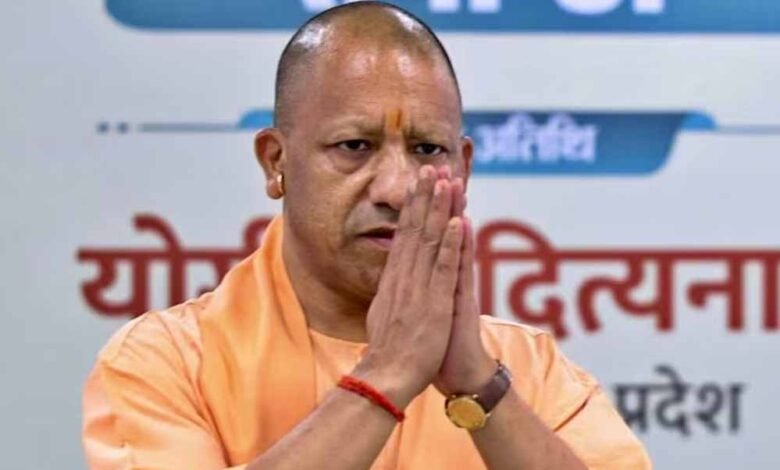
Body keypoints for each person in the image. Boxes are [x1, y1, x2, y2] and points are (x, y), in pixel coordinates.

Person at [82, 2, 651, 469]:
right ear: (276, 162)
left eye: (427, 149)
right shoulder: (167, 362)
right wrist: (387, 375)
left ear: (464, 168)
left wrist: (478, 387)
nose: (397, 189)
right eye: (354, 146)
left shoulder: (526, 369)